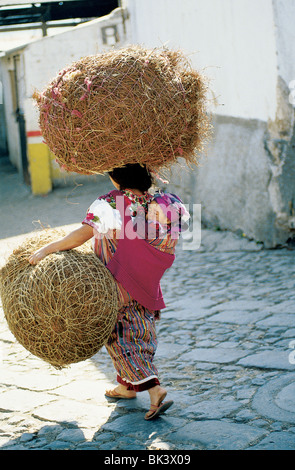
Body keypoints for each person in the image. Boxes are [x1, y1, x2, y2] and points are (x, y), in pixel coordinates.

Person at [28, 163, 189, 420]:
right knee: (139, 329)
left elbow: (81, 234)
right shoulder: (161, 202)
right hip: (146, 281)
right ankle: (125, 387)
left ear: (116, 179)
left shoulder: (110, 204)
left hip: (116, 281)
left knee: (119, 335)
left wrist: (50, 247)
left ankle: (155, 389)